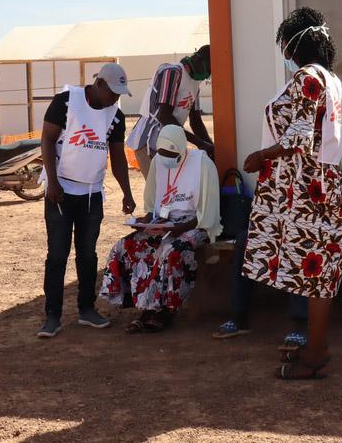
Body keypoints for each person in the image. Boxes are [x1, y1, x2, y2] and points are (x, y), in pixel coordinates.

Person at [241, 7, 342, 380]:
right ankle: (317, 345)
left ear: (295, 43)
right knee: (318, 269)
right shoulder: (330, 78)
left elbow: (299, 135)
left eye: (284, 42)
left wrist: (261, 156)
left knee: (314, 270)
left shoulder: (307, 77)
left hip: (305, 187)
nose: (283, 50)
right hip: (321, 181)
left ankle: (315, 353)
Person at [36, 63, 137, 338]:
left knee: (88, 254)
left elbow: (117, 156)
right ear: (99, 84)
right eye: (113, 92)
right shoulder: (66, 101)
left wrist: (127, 192)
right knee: (57, 254)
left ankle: (86, 309)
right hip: (60, 191)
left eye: (120, 94)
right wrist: (53, 181)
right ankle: (52, 315)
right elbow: (47, 139)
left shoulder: (115, 115)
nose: (116, 98)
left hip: (92, 194)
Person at [99, 125, 221, 332]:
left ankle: (167, 310)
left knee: (169, 251)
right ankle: (145, 307)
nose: (165, 158)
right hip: (165, 224)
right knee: (127, 245)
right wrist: (145, 222)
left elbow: (207, 213)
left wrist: (181, 227)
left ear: (181, 148)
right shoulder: (158, 162)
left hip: (196, 225)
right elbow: (151, 204)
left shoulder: (202, 164)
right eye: (162, 153)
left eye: (170, 154)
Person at [212, 228, 309, 352]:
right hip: (283, 222)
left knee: (298, 240)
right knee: (245, 239)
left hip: (315, 225)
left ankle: (301, 323)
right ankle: (240, 316)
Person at [126, 45, 214, 176]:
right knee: (160, 193)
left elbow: (196, 122)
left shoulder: (195, 84)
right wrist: (201, 144)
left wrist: (210, 147)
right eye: (208, 69)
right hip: (149, 143)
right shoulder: (172, 72)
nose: (207, 75)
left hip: (170, 143)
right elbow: (164, 116)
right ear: (199, 60)